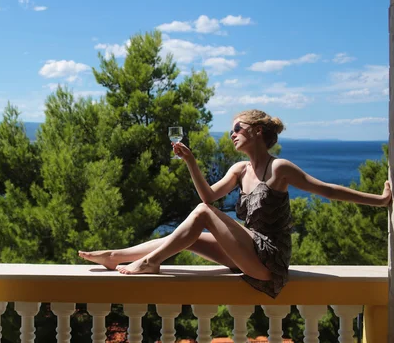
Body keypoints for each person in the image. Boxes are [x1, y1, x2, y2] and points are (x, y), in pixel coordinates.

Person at [79, 109, 392, 298]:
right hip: (247, 251)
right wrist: (190, 162)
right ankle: (115, 255)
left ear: (256, 132)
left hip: (269, 260)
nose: (231, 134)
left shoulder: (278, 168)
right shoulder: (239, 169)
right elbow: (208, 196)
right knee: (185, 237)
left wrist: (379, 201)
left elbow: (327, 190)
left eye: (236, 129)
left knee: (201, 216)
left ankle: (149, 263)